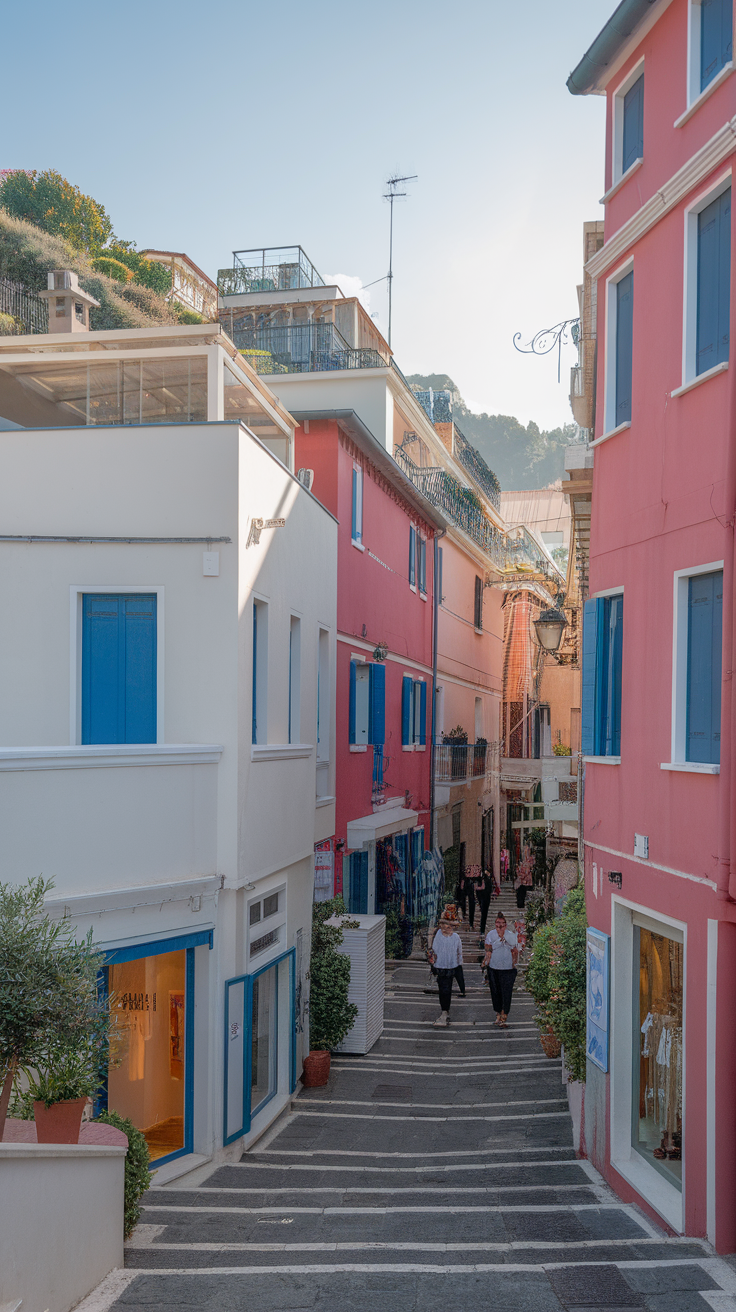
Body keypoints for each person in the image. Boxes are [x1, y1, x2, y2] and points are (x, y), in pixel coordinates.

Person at [429, 914, 465, 1027]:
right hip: (440, 967)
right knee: (443, 989)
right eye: (443, 925)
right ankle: (444, 1010)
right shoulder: (437, 936)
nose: (445, 928)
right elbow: (432, 951)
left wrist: (459, 965)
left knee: (447, 989)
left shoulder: (456, 938)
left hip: (451, 967)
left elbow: (459, 953)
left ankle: (445, 1011)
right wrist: (433, 964)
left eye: (449, 926)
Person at [484, 912, 518, 1028]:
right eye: (498, 923)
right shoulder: (491, 935)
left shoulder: (511, 935)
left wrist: (514, 963)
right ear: (495, 924)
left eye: (502, 924)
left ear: (506, 925)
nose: (500, 926)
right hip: (494, 967)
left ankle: (505, 1013)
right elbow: (488, 950)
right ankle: (498, 1013)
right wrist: (486, 962)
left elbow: (515, 950)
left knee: (506, 992)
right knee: (495, 991)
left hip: (507, 968)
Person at [474, 870, 492, 937]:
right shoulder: (485, 879)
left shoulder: (480, 879)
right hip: (485, 897)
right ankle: (482, 929)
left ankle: (482, 929)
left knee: (483, 912)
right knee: (484, 913)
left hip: (483, 897)